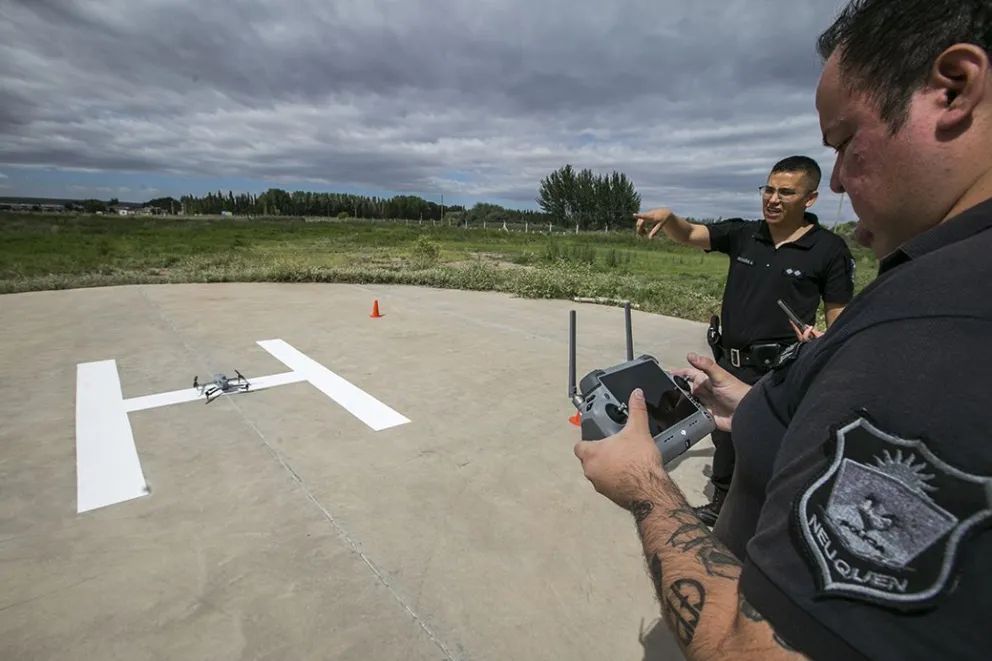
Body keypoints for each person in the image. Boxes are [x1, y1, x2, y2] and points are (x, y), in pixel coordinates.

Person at [573, 0, 992, 658]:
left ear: (955, 87)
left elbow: (757, 647)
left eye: (847, 142)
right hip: (742, 375)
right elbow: (696, 236)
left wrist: (647, 488)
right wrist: (759, 405)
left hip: (775, 368)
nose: (844, 180)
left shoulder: (928, 331)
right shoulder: (918, 269)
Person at [634, 157, 855, 526]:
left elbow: (839, 313)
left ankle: (763, 512)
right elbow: (690, 234)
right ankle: (722, 501)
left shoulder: (829, 249)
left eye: (786, 192)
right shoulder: (744, 234)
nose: (773, 198)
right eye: (768, 189)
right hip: (727, 361)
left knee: (766, 440)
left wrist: (825, 344)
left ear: (810, 199)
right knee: (723, 435)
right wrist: (669, 218)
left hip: (780, 368)